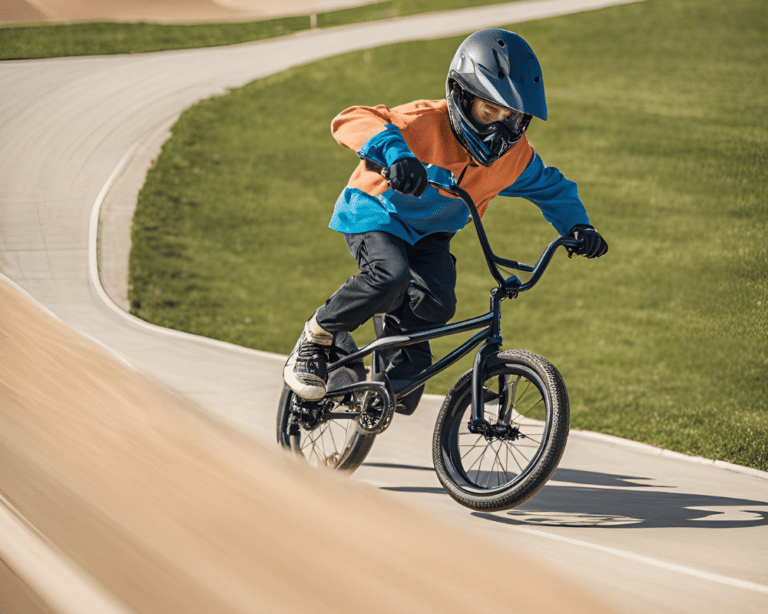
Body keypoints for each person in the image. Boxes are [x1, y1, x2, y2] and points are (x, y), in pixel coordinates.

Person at [283, 28, 608, 409]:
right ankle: (318, 336)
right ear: (462, 96)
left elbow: (553, 188)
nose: (498, 130)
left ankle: (387, 374)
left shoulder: (513, 158)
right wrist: (397, 156)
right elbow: (351, 119)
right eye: (490, 111)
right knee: (389, 276)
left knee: (438, 301)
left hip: (431, 233)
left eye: (512, 118)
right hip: (377, 213)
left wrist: (579, 226)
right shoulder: (424, 121)